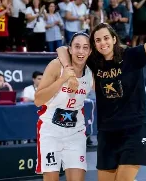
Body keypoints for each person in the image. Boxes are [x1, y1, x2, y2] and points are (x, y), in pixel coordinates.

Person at [56, 4, 146, 181]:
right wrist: (68, 71)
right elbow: (62, 50)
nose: (102, 43)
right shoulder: (94, 62)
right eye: (98, 40)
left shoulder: (132, 55)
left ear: (113, 38)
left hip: (134, 130)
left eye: (105, 38)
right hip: (107, 132)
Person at [34, 32, 92, 181]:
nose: (81, 51)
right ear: (70, 49)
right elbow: (38, 100)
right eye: (77, 47)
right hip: (50, 131)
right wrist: (63, 79)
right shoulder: (56, 65)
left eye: (85, 47)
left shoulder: (91, 72)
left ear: (90, 51)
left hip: (75, 132)